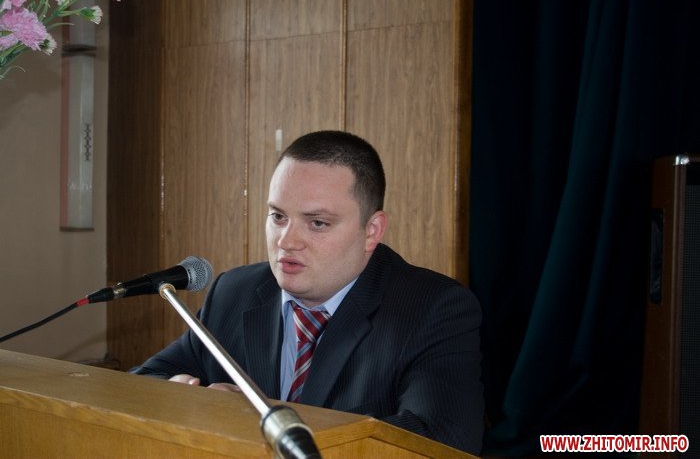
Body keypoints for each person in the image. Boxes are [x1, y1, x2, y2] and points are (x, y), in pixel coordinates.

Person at [130, 130, 484, 454]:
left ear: (372, 231)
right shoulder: (235, 292)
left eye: (317, 223)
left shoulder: (433, 308)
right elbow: (139, 385)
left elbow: (440, 442)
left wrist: (263, 423)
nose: (287, 241)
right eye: (278, 217)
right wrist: (185, 398)